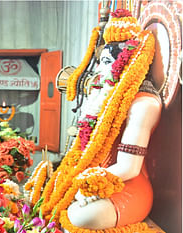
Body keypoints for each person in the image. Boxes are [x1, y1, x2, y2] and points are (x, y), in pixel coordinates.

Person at [40, 9, 159, 231]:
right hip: (95, 176)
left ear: (124, 64)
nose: (99, 71)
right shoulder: (104, 96)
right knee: (55, 196)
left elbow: (129, 168)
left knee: (82, 217)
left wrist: (84, 185)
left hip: (128, 185)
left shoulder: (144, 104)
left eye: (105, 62)